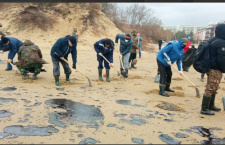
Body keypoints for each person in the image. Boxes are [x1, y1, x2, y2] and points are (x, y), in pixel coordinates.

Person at [200, 23, 225, 115]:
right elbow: (221, 59)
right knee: (211, 87)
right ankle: (204, 108)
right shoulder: (222, 43)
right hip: (215, 68)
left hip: (209, 66)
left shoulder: (212, 40)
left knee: (214, 86)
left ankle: (211, 105)